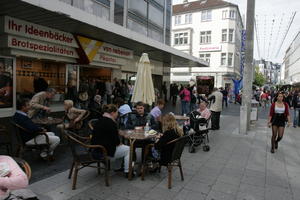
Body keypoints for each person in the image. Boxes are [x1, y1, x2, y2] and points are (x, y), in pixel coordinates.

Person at [91, 104, 131, 177]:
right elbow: (116, 141)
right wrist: (120, 143)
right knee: (129, 149)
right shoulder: (111, 123)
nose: (117, 114)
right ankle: (128, 171)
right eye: (117, 112)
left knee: (122, 147)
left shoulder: (100, 120)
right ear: (112, 113)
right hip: (104, 152)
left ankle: (117, 167)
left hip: (95, 149)